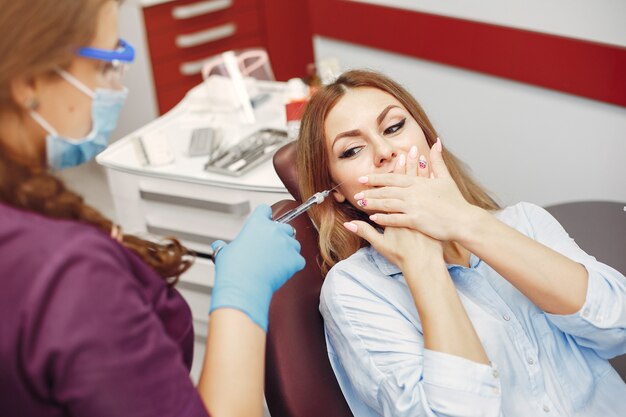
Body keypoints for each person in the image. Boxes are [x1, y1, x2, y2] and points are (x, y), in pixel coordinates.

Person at [0, 1, 304, 416]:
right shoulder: (70, 273)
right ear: (29, 81)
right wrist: (242, 291)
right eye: (107, 64)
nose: (115, 90)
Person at [296, 69, 626, 417]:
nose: (385, 151)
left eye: (393, 128)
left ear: (426, 137)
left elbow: (617, 328)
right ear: (338, 194)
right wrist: (422, 263)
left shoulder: (524, 222)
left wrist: (467, 223)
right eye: (352, 150)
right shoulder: (354, 289)